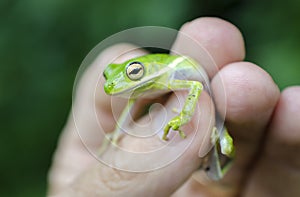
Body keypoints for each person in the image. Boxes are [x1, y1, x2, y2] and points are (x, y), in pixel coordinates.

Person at [47, 17, 300, 196]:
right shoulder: (142, 88)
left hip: (205, 88)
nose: (113, 84)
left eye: (133, 71)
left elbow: (195, 88)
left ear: (143, 70)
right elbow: (133, 101)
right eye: (108, 76)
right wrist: (118, 132)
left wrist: (183, 117)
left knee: (227, 142)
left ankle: (219, 165)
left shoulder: (165, 75)